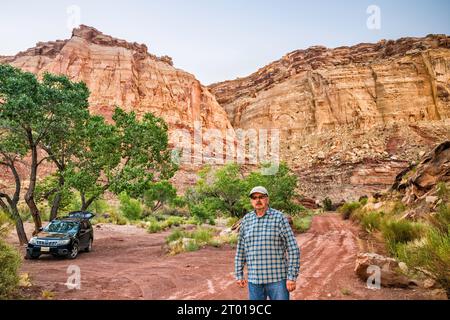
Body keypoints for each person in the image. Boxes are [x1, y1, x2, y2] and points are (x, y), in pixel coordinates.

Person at [234, 186, 300, 300]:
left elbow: (293, 248)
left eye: (261, 197)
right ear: (251, 201)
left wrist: (292, 277)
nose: (258, 200)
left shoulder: (279, 218)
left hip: (277, 280)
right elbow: (241, 250)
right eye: (254, 198)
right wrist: (239, 274)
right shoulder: (246, 220)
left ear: (267, 199)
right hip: (254, 281)